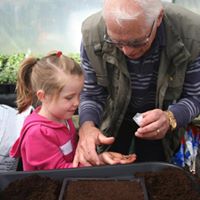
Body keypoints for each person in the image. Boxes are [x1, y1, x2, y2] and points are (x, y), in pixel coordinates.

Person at [73, 0, 200, 167]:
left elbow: (195, 95)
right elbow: (92, 93)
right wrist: (87, 126)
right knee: (110, 165)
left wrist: (171, 117)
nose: (127, 51)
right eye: (116, 42)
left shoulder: (192, 34)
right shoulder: (93, 33)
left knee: (154, 165)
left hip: (161, 114)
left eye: (137, 42)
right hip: (115, 114)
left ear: (159, 18)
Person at [10, 51, 136, 171]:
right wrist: (98, 163)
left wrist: (99, 159)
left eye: (79, 94)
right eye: (69, 97)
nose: (77, 103)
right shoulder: (38, 134)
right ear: (43, 96)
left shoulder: (63, 117)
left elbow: (73, 158)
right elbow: (56, 174)